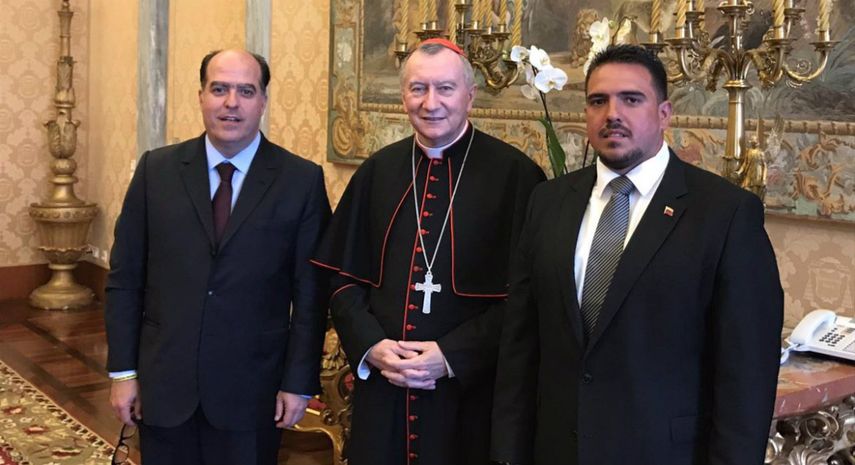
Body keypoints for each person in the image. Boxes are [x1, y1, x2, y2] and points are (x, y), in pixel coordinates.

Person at [491, 44, 783, 465]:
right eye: (598, 100)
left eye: (631, 99)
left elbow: (746, 375)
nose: (612, 113)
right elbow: (519, 347)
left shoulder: (725, 213)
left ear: (664, 113)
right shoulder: (548, 202)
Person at [311, 39, 545, 465]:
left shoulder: (516, 176)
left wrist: (452, 356)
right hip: (384, 398)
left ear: (470, 96)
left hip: (470, 400)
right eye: (418, 89)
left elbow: (528, 301)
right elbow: (342, 281)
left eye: (445, 89)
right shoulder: (378, 171)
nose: (430, 103)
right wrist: (371, 345)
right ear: (403, 96)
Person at [105, 49, 331, 465]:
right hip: (165, 384)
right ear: (201, 96)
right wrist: (123, 372)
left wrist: (298, 384)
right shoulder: (157, 171)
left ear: (263, 100)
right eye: (220, 89)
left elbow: (312, 295)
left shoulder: (301, 181)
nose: (232, 103)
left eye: (246, 91)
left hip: (253, 390)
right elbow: (125, 279)